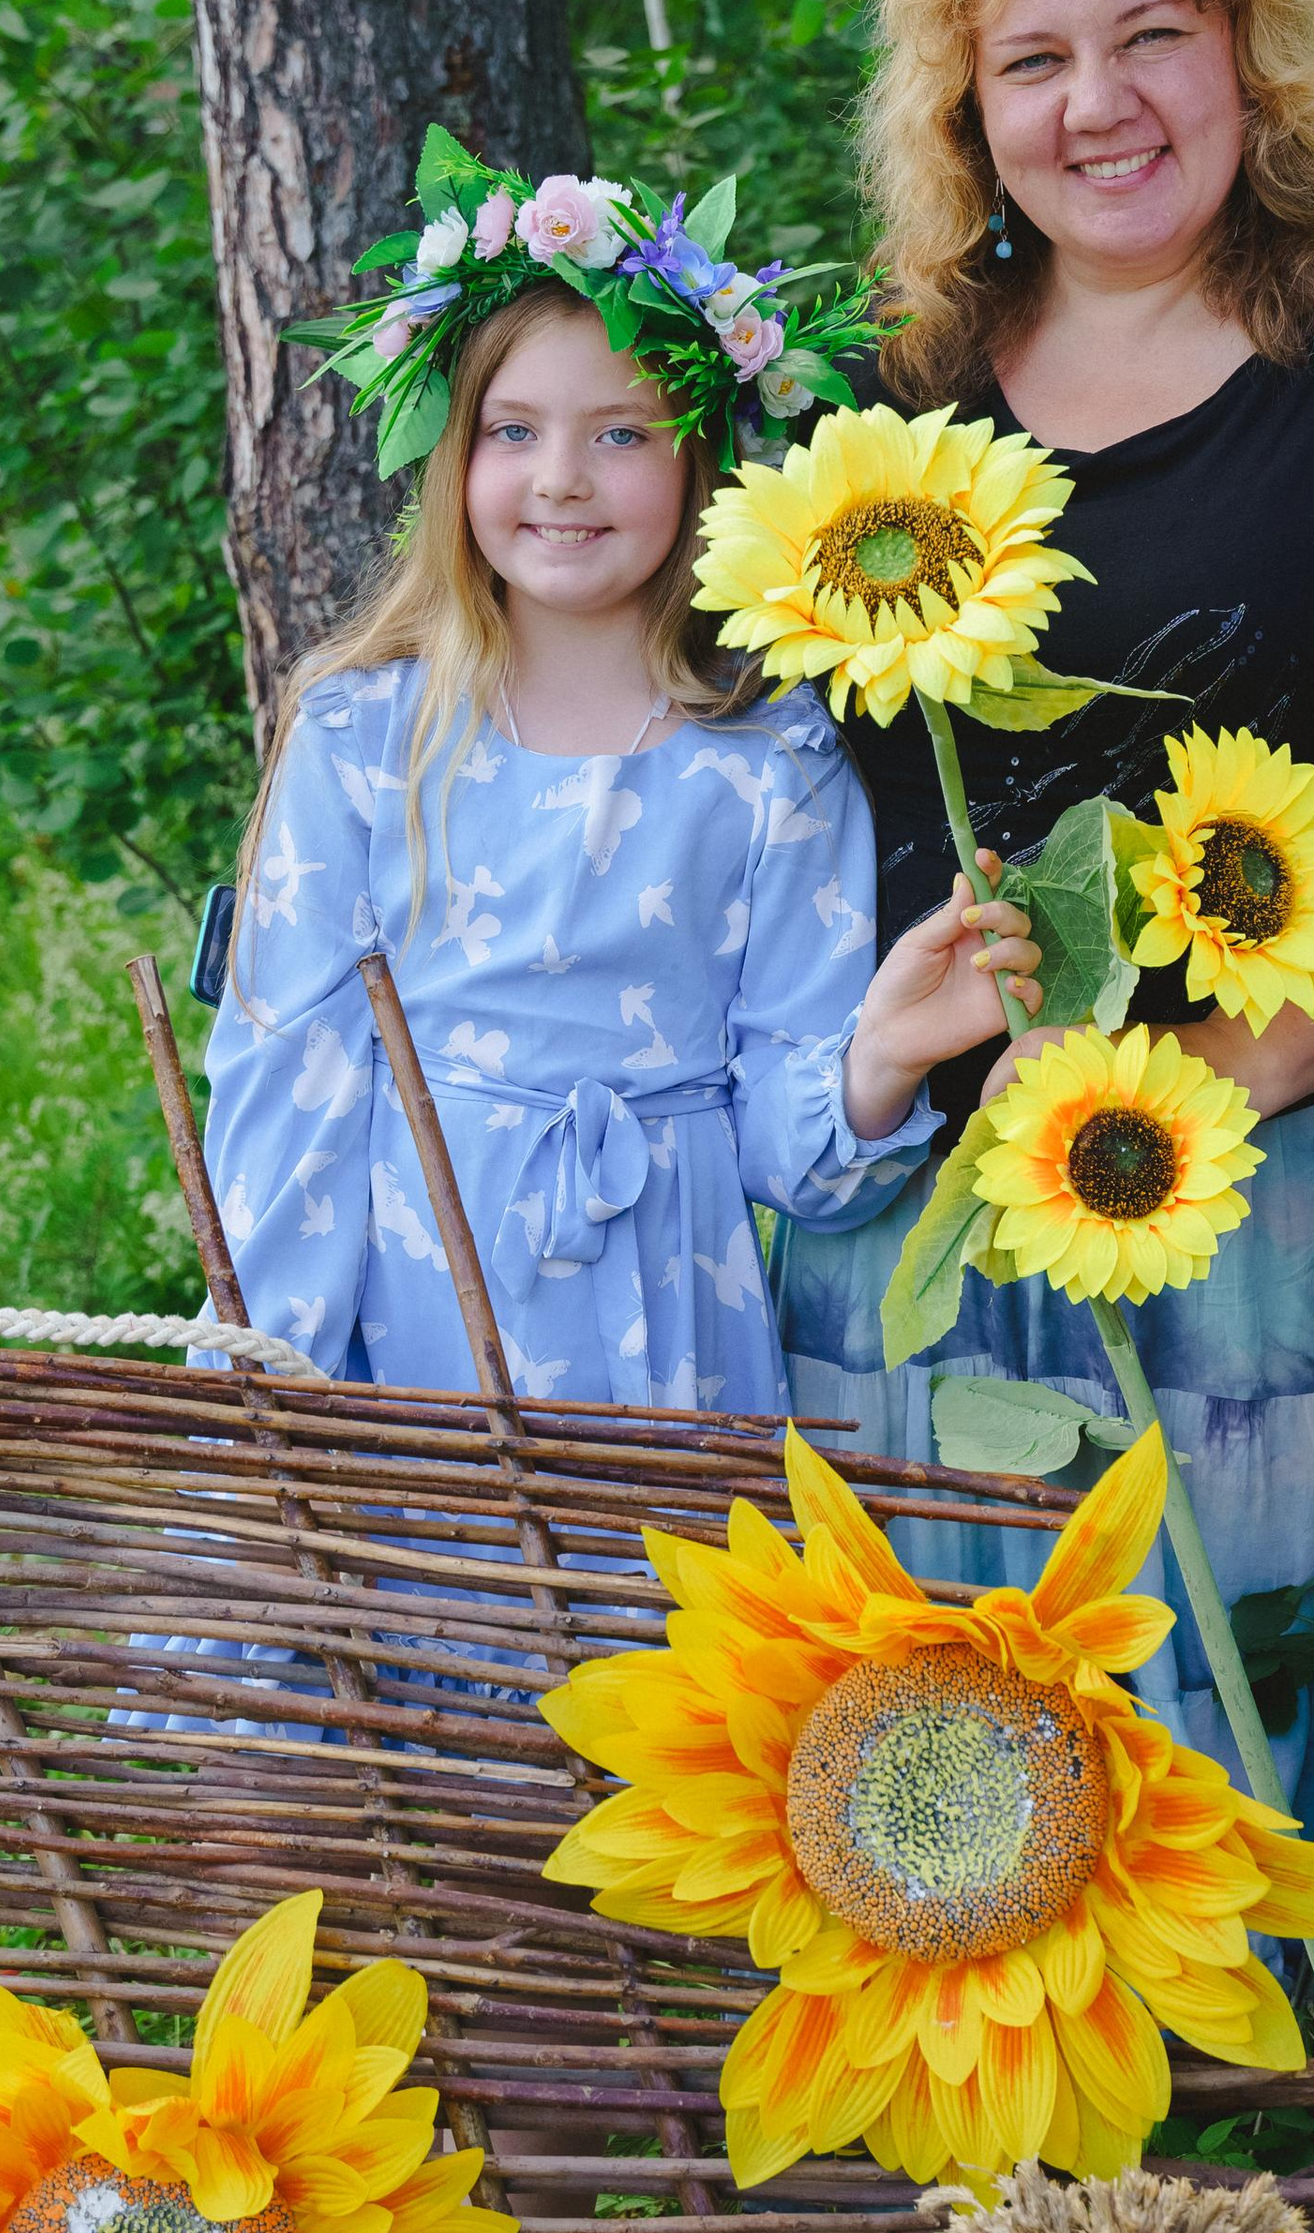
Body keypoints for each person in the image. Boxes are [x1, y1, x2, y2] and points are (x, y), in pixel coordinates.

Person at [771, 0, 1314, 1935]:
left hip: (1264, 1232)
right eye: (1031, 61)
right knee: (936, 1842)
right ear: (963, 109)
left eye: (1144, 38)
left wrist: (1192, 1080)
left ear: (1245, 53)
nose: (1094, 107)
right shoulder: (870, 420)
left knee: (1259, 1816)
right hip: (903, 1250)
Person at [204, 271, 1037, 1409]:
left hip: (676, 1332)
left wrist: (882, 1057)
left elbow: (790, 1160)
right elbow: (286, 1095)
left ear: (700, 464)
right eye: (513, 429)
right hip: (421, 1326)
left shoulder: (771, 759)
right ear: (456, 459)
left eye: (621, 432)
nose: (560, 477)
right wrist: (260, 1386)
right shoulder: (365, 739)